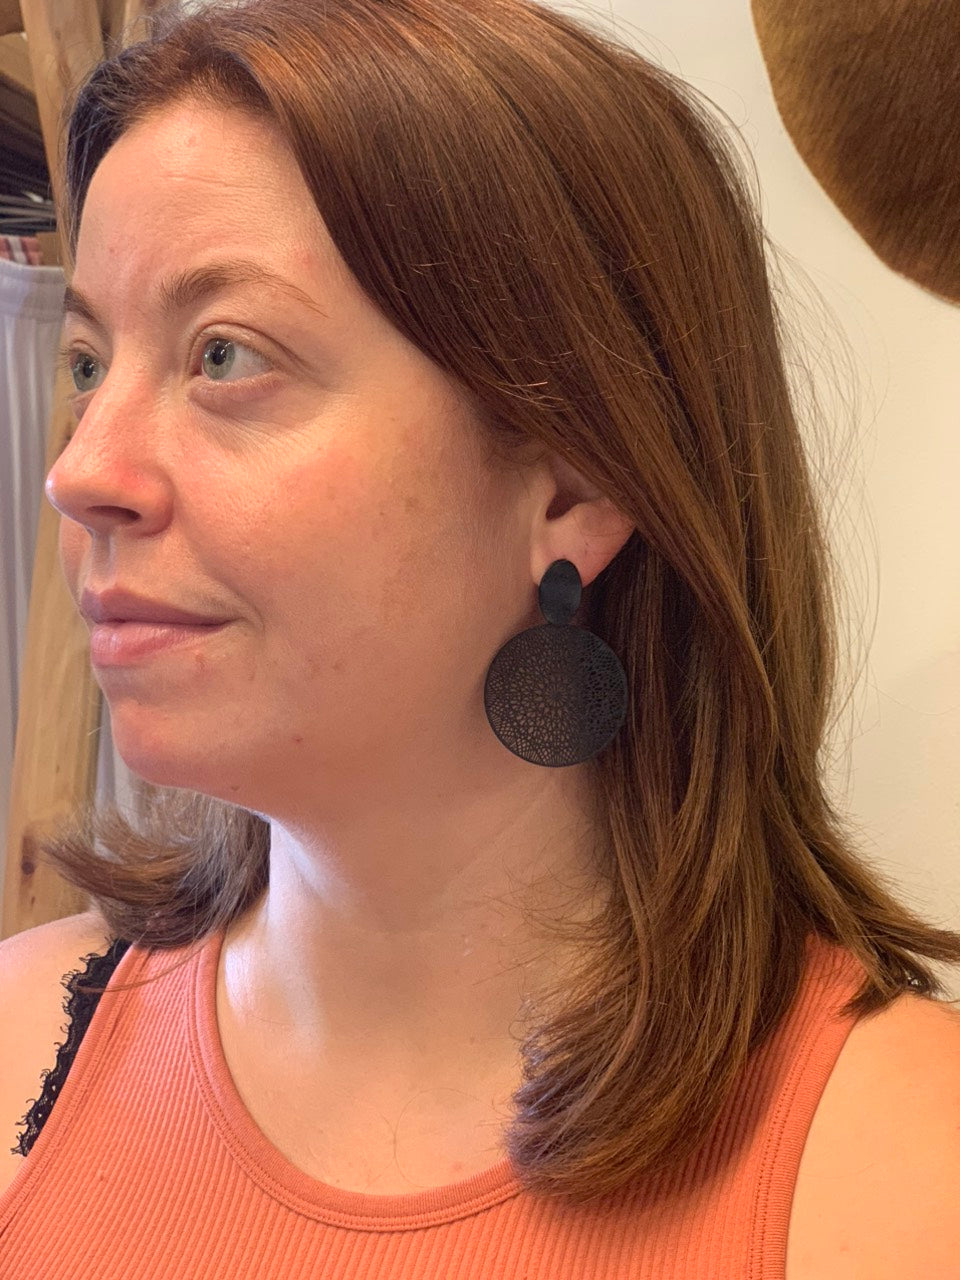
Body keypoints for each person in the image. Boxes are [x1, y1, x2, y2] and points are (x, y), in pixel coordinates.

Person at [3, 0, 959, 1275]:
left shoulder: (903, 1177)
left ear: (570, 484)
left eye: (225, 354)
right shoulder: (22, 1049)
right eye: (87, 363)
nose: (83, 471)